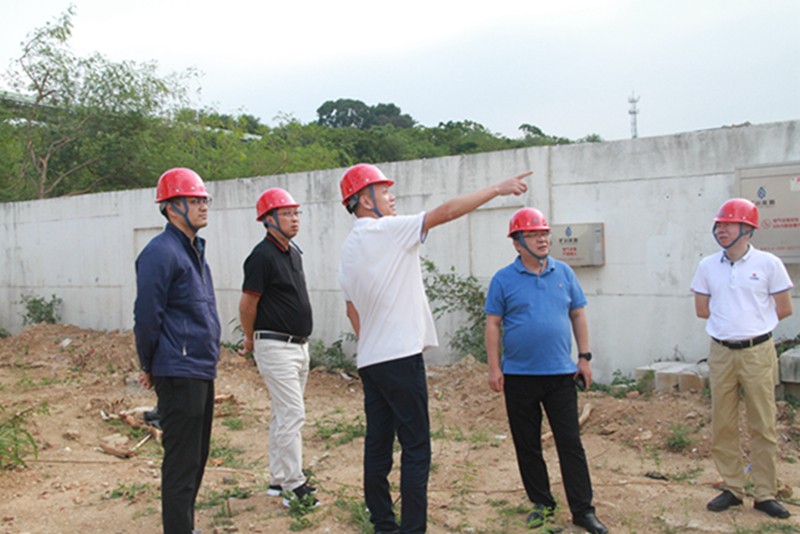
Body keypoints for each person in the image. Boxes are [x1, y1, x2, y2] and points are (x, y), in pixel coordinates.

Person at [338, 163, 530, 533]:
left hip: (372, 360)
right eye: (384, 191)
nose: (392, 197)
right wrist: (496, 188)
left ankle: (383, 524)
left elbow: (351, 310)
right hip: (399, 356)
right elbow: (446, 212)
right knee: (416, 448)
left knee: (378, 445)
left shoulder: (349, 249)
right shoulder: (388, 230)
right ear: (365, 200)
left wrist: (375, 340)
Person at [484, 207, 608, 534]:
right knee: (527, 444)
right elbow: (493, 324)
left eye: (544, 234)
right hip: (519, 377)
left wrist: (584, 357)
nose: (542, 240)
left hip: (560, 376)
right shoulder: (503, 279)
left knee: (570, 444)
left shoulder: (563, 272)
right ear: (517, 242)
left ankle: (583, 510)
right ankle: (542, 503)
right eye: (533, 234)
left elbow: (578, 314)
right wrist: (494, 367)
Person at [691, 198, 794, 519]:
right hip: (721, 352)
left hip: (757, 352)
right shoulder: (707, 266)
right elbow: (701, 309)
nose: (721, 230)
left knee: (762, 423)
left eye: (729, 224)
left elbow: (784, 307)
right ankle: (733, 488)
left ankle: (765, 493)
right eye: (719, 225)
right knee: (723, 422)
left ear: (747, 229)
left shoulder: (768, 264)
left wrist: (752, 324)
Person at [133, 167, 222, 534]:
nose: (203, 205)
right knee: (182, 462)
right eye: (194, 200)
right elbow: (147, 315)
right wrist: (148, 363)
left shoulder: (194, 251)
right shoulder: (160, 252)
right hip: (179, 368)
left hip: (199, 367)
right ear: (171, 207)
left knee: (196, 457)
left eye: (204, 199)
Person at [238, 187, 317, 507]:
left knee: (284, 414)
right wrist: (249, 339)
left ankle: (278, 477)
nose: (294, 219)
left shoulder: (293, 252)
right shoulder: (261, 257)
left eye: (296, 213)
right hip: (274, 345)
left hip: (299, 346)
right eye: (286, 213)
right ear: (268, 220)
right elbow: (248, 304)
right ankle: (294, 485)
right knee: (292, 413)